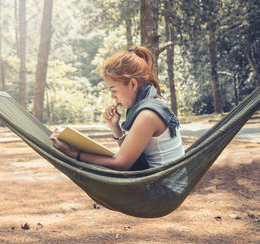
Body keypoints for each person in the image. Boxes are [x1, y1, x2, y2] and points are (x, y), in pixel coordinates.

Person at [50, 46, 184, 171]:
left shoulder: (147, 114)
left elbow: (121, 163)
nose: (113, 96)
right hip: (158, 180)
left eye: (114, 90)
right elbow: (133, 158)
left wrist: (73, 153)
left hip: (164, 188)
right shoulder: (151, 103)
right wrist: (115, 127)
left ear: (132, 84)